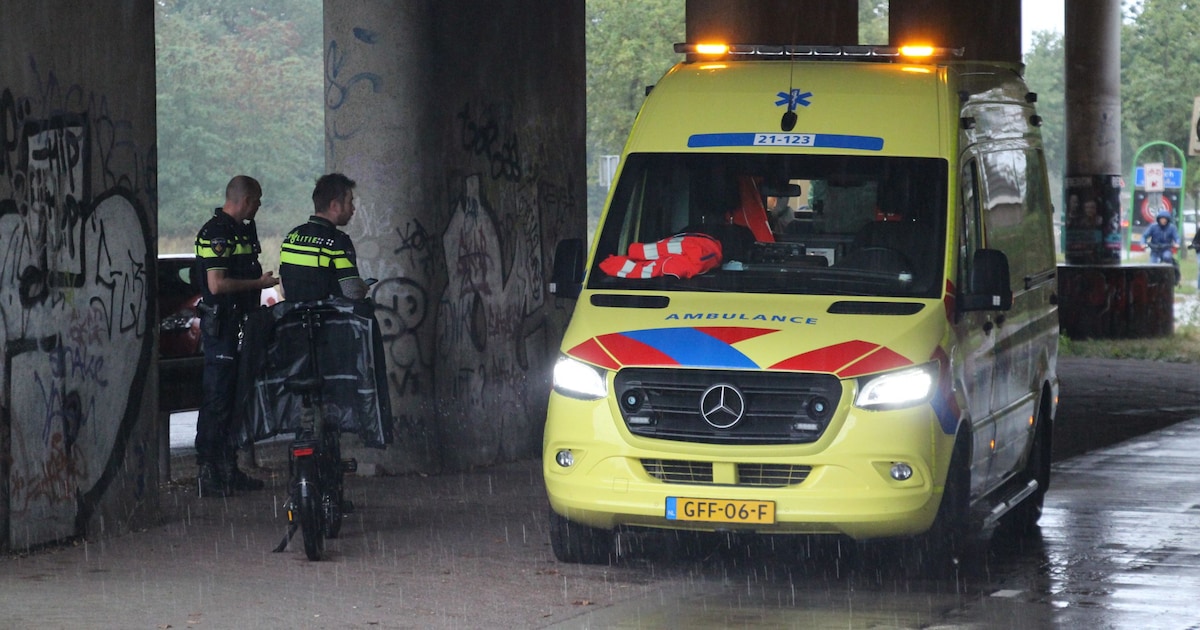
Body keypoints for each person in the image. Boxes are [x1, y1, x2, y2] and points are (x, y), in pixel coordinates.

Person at [193, 175, 280, 497]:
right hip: (223, 326)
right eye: (257, 201)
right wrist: (258, 284)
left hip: (242, 323)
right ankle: (208, 472)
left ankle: (229, 469)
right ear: (245, 200)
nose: (258, 207)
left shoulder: (242, 230)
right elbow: (216, 285)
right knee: (217, 398)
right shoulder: (216, 232)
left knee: (236, 398)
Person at [279, 173, 370, 301]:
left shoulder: (292, 236)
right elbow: (351, 292)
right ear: (335, 206)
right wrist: (361, 287)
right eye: (350, 202)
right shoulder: (338, 241)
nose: (353, 209)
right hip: (328, 318)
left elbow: (283, 290)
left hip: (292, 318)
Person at [1142, 210, 1181, 285]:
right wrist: (1143, 244)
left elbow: (1177, 238)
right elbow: (1144, 236)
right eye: (1162, 219)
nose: (1163, 220)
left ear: (1168, 220)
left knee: (1167, 257)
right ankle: (1151, 281)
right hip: (1155, 250)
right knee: (1152, 264)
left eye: (1165, 219)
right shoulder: (1153, 227)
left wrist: (1177, 244)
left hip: (1166, 249)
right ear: (1158, 219)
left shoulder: (1172, 228)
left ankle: (1171, 276)